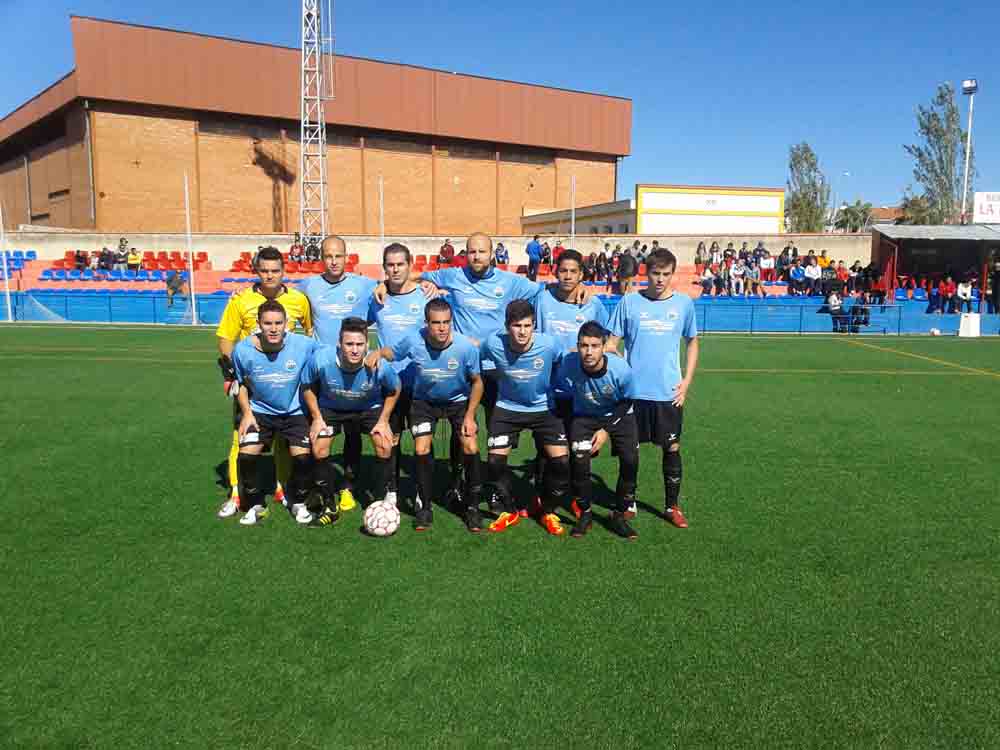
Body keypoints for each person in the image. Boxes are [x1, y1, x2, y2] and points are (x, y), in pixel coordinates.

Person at [367, 298, 484, 532]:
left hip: (458, 402)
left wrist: (470, 416)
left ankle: (472, 507)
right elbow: (394, 353)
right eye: (436, 323)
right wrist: (378, 352)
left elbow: (478, 382)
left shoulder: (465, 347)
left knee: (470, 446)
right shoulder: (414, 339)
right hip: (424, 403)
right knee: (421, 449)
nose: (442, 328)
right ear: (426, 323)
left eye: (446, 322)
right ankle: (425, 506)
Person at [215, 246, 312, 519]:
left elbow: (308, 332)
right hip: (251, 385)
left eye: (275, 271)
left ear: (284, 271)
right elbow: (225, 337)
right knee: (242, 438)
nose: (269, 276)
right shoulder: (241, 301)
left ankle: (282, 488)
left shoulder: (299, 300)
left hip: (287, 386)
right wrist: (231, 374)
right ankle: (237, 494)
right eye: (264, 271)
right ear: (256, 271)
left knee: (285, 442)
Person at [607, 248, 699, 528]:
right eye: (655, 274)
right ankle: (628, 503)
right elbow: (611, 343)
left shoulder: (683, 304)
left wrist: (686, 382)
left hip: (667, 393)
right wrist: (622, 365)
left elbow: (692, 342)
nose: (660, 279)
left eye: (666, 274)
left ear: (673, 274)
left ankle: (672, 506)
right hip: (633, 393)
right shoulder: (629, 302)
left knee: (671, 447)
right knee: (629, 452)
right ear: (646, 273)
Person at [299, 236, 379, 512]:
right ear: (322, 258)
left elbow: (396, 282)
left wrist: (426, 281)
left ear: (347, 257)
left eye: (339, 256)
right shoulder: (309, 285)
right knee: (321, 435)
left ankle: (348, 486)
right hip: (324, 372)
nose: (333, 261)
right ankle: (321, 487)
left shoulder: (363, 284)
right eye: (328, 256)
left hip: (355, 371)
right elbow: (282, 298)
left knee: (353, 435)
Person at [480, 300, 570, 535]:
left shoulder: (549, 345)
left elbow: (563, 361)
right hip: (507, 407)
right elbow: (481, 359)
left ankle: (545, 509)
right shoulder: (493, 343)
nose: (522, 331)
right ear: (507, 326)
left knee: (561, 463)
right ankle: (509, 510)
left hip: (544, 408)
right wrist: (494, 375)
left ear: (534, 326)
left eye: (527, 325)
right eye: (516, 325)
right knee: (494, 463)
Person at [301, 317, 401, 526]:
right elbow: (307, 386)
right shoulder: (321, 360)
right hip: (332, 408)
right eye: (349, 344)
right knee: (319, 445)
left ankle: (380, 500)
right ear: (339, 343)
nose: (355, 350)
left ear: (367, 344)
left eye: (359, 344)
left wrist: (383, 420)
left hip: (367, 409)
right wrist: (317, 418)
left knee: (384, 444)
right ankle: (329, 505)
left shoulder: (379, 366)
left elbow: (394, 389)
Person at [229, 300, 317, 525]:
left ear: (286, 324)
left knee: (304, 458)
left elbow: (330, 355)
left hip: (295, 411)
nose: (274, 328)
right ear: (259, 324)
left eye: (279, 323)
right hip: (260, 412)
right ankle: (256, 504)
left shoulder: (303, 345)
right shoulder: (242, 350)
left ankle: (297, 501)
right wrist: (247, 413)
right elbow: (241, 384)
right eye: (268, 323)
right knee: (246, 456)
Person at [555, 322, 639, 539]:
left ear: (604, 347)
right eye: (584, 346)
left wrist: (606, 430)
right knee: (579, 459)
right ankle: (585, 513)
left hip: (619, 414)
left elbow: (628, 400)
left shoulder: (621, 369)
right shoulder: (569, 363)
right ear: (577, 346)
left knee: (630, 460)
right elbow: (562, 392)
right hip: (584, 416)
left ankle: (619, 514)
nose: (589, 351)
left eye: (594, 345)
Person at [366, 243, 425, 507]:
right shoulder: (377, 299)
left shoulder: (425, 295)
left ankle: (423, 491)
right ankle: (392, 489)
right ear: (384, 267)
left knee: (422, 438)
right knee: (392, 437)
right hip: (388, 383)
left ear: (410, 264)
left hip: (420, 381)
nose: (395, 269)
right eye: (390, 265)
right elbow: (356, 327)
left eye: (400, 264)